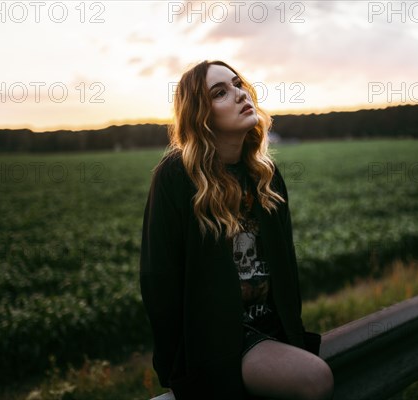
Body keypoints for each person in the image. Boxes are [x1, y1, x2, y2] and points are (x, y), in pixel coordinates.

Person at [139, 60, 334, 400]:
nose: (240, 94)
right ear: (201, 114)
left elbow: (286, 267)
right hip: (221, 340)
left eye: (238, 84)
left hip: (273, 327)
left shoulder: (264, 175)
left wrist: (293, 334)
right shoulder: (175, 176)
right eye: (220, 92)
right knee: (314, 378)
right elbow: (159, 278)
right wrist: (174, 369)